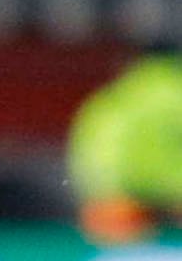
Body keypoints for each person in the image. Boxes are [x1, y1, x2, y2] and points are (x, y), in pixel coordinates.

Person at [69, 44, 182, 243]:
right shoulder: (175, 93)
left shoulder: (113, 98)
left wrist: (106, 194)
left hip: (122, 204)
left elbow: (93, 153)